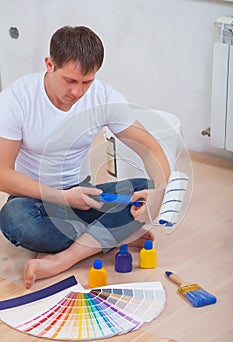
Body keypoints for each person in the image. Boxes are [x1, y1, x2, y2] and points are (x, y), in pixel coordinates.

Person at [0, 26, 170, 289]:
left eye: (86, 82)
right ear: (49, 64)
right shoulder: (16, 100)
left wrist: (161, 191)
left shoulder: (103, 96)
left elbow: (149, 148)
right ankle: (108, 235)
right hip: (33, 200)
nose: (78, 92)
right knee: (14, 220)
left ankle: (64, 259)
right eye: (70, 81)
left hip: (84, 197)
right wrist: (62, 197)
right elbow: (2, 173)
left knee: (145, 190)